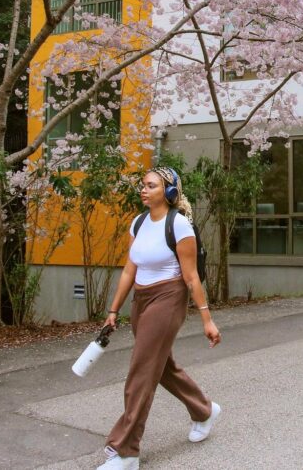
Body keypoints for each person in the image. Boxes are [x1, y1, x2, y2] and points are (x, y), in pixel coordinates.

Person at [99, 167, 222, 470]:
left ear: (168, 193)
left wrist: (207, 319)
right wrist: (113, 310)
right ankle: (204, 410)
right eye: (142, 185)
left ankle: (126, 451)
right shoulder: (138, 222)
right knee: (160, 366)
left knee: (141, 371)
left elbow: (192, 277)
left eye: (151, 186)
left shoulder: (179, 225)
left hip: (168, 300)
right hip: (142, 300)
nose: (143, 190)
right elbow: (130, 268)